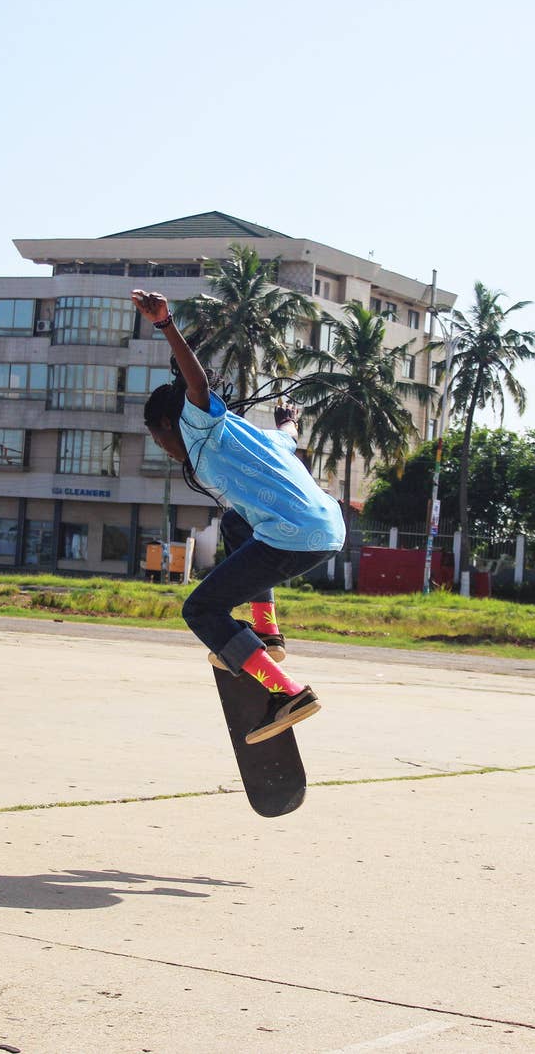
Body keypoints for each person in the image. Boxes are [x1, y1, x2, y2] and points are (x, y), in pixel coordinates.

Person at [133, 289, 346, 745]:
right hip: (328, 527)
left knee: (201, 609)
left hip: (293, 536)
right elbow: (287, 435)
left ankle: (287, 692)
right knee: (234, 523)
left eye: (159, 441)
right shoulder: (254, 436)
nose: (167, 452)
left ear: (169, 425)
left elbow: (196, 385)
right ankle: (267, 633)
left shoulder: (198, 422)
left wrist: (165, 324)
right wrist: (290, 419)